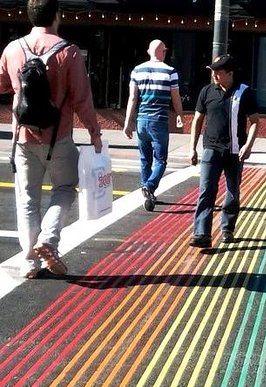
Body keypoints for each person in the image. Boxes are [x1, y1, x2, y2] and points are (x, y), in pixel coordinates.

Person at [0, 0, 102, 279]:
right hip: (60, 138)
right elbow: (82, 99)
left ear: (29, 15)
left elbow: (2, 85)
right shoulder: (68, 52)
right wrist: (94, 133)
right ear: (57, 16)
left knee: (27, 200)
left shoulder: (12, 49)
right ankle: (49, 238)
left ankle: (29, 262)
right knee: (65, 188)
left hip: (23, 138)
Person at [188, 55, 260, 249]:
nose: (214, 76)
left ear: (229, 73)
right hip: (211, 148)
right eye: (212, 72)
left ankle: (227, 228)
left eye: (218, 72)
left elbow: (255, 121)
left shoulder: (244, 92)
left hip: (235, 150)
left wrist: (248, 146)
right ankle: (202, 233)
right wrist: (192, 148)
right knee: (206, 190)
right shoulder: (206, 91)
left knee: (232, 190)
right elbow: (197, 120)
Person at [123, 39, 184, 212]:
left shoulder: (137, 70)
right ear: (163, 52)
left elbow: (132, 98)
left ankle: (147, 191)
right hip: (159, 120)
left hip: (141, 120)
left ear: (148, 51)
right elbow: (176, 97)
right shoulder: (170, 72)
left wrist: (128, 122)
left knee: (144, 158)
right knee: (161, 159)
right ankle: (149, 186)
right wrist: (179, 115)